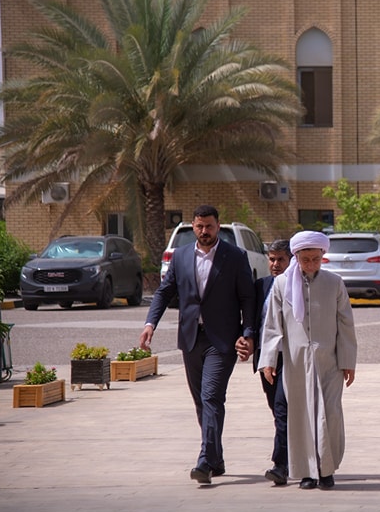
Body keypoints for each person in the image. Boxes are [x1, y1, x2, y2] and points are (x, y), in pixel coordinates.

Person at [140, 204, 256, 485]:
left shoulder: (235, 256)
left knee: (211, 396)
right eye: (200, 226)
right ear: (193, 226)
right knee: (201, 402)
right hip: (191, 337)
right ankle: (216, 458)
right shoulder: (180, 256)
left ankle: (204, 460)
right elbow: (164, 292)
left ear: (218, 226)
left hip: (223, 339)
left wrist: (248, 333)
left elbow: (247, 298)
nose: (204, 231)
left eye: (209, 226)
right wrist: (150, 323)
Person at [257, 231, 357, 490]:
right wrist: (268, 360)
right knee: (301, 416)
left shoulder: (335, 283)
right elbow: (272, 325)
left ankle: (326, 470)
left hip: (329, 362)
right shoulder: (282, 284)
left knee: (330, 414)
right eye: (305, 259)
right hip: (295, 362)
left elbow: (345, 324)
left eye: (316, 259)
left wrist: (348, 361)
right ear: (296, 257)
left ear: (323, 256)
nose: (311, 264)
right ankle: (307, 472)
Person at [239, 239, 291, 485]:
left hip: (291, 359)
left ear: (291, 260)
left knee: (282, 409)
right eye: (272, 259)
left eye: (281, 259)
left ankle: (280, 465)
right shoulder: (261, 286)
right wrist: (246, 339)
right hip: (266, 359)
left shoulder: (297, 286)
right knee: (277, 410)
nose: (275, 264)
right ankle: (293, 457)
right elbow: (252, 319)